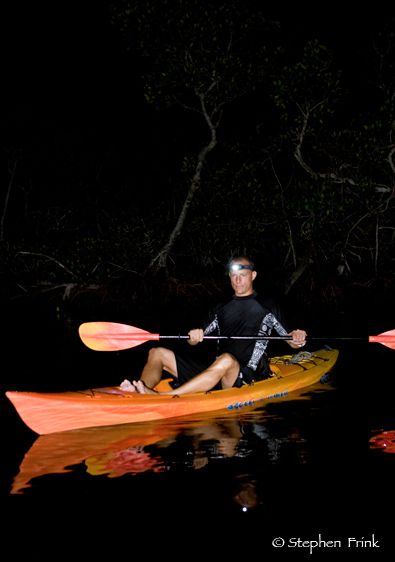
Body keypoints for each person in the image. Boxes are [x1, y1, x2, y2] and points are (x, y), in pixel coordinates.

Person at [121, 256, 307, 395]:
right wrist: (194, 337)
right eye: (234, 276)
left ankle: (166, 397)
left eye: (242, 275)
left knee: (226, 359)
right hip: (217, 370)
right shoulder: (220, 308)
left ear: (253, 275)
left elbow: (289, 340)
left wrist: (297, 338)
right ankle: (140, 390)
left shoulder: (268, 306)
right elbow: (195, 341)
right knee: (157, 352)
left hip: (246, 376)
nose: (238, 280)